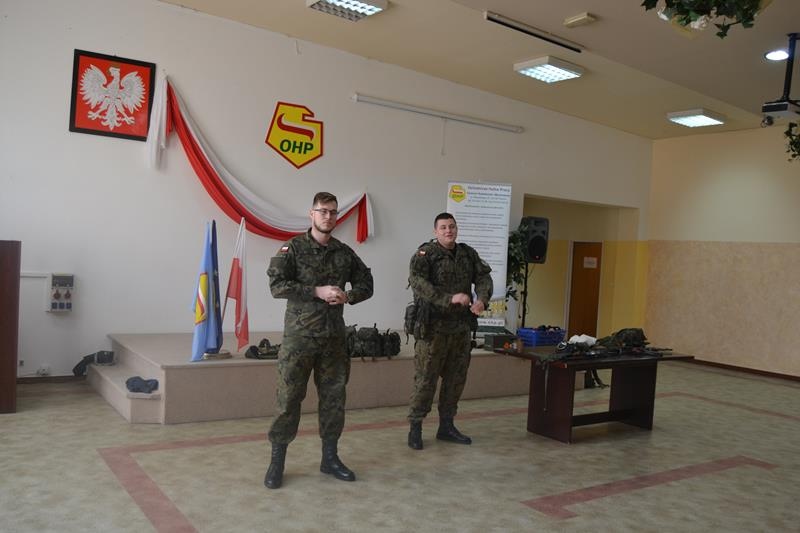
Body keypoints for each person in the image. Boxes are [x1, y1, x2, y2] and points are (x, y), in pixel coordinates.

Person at [264, 192, 374, 489]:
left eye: (333, 212)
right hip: (299, 339)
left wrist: (348, 296)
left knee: (334, 401)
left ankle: (330, 458)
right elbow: (277, 285)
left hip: (333, 340)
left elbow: (367, 283)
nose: (328, 216)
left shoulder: (344, 252)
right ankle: (277, 462)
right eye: (322, 211)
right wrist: (316, 291)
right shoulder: (293, 248)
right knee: (288, 400)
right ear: (311, 214)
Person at [406, 212, 492, 450]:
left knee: (456, 379)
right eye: (443, 227)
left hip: (460, 328)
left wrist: (482, 299)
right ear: (435, 231)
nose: (448, 231)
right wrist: (448, 299)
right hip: (433, 329)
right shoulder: (425, 255)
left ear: (457, 229)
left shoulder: (467, 254)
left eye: (452, 226)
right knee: (426, 379)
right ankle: (415, 428)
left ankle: (447, 426)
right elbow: (418, 283)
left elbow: (483, 277)